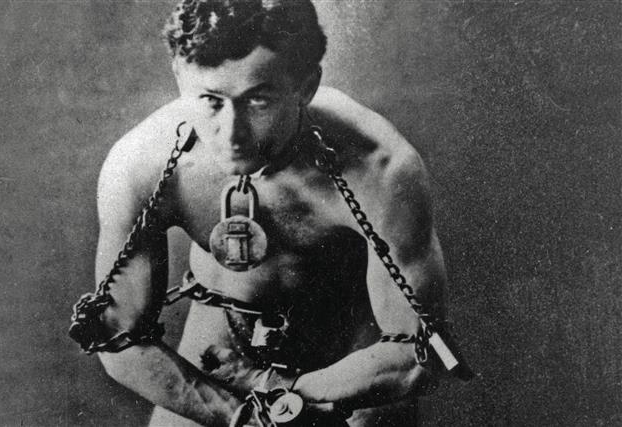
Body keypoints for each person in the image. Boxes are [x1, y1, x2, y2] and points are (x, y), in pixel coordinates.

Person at [72, 1, 458, 425]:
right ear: (180, 76)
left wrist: (277, 391)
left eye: (257, 101)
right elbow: (117, 338)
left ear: (306, 86)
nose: (232, 135)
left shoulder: (377, 166)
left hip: (355, 350)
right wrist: (240, 415)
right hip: (222, 349)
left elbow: (416, 355)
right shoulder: (139, 164)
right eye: (211, 100)